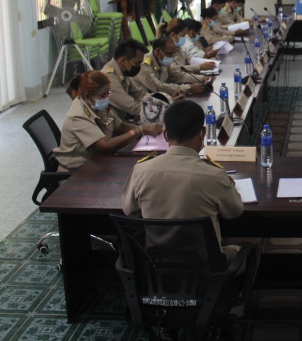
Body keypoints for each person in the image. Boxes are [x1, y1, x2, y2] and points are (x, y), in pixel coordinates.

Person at [122, 100, 245, 264]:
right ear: (202, 133)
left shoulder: (141, 171)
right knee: (244, 252)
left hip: (156, 264)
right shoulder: (213, 175)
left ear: (166, 135)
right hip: (205, 267)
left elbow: (129, 210)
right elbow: (235, 211)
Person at [54, 71, 162, 172]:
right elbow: (105, 146)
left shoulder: (97, 106)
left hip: (97, 163)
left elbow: (121, 127)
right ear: (87, 95)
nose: (106, 98)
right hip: (76, 174)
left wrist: (148, 130)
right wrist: (139, 131)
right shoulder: (78, 115)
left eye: (108, 93)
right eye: (103, 95)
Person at [135, 37, 205, 98]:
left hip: (164, 98)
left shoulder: (162, 60)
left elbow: (178, 75)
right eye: (170, 54)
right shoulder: (144, 64)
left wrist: (202, 78)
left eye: (173, 53)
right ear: (158, 51)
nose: (172, 57)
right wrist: (188, 89)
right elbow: (157, 87)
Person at [102, 39, 151, 121]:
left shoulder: (123, 73)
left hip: (122, 120)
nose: (139, 67)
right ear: (123, 61)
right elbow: (132, 108)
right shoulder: (109, 78)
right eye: (137, 63)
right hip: (111, 124)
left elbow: (140, 94)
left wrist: (159, 101)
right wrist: (156, 110)